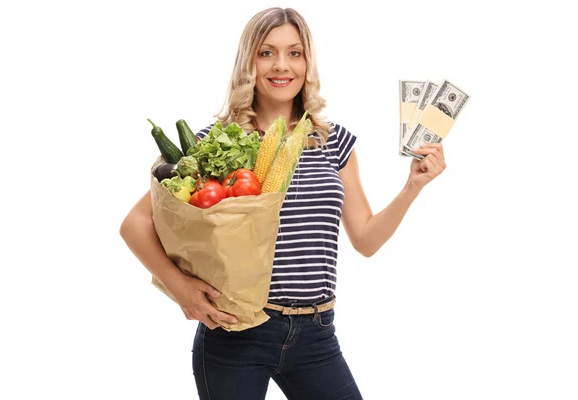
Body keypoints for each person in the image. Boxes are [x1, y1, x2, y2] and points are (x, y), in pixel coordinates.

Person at [119, 7, 447, 400]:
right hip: (236, 332)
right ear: (249, 62)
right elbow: (135, 224)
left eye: (294, 53)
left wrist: (413, 187)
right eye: (266, 52)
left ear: (308, 62)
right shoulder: (218, 143)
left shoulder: (333, 141)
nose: (281, 65)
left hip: (316, 334)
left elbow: (365, 239)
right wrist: (181, 288)